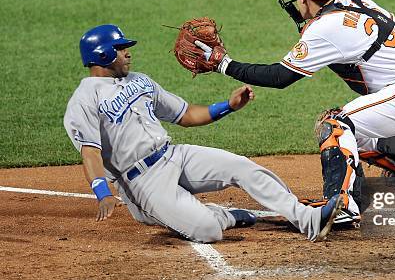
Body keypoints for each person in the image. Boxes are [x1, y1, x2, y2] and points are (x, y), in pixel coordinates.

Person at [195, 0, 395, 226]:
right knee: (350, 135)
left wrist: (225, 65)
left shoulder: (326, 27)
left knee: (335, 126)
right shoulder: (358, 1)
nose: (296, 5)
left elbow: (280, 77)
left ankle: (343, 206)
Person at [63, 24, 342, 243]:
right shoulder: (83, 100)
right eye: (121, 48)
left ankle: (308, 220)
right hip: (142, 182)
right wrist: (102, 192)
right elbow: (90, 151)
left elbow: (184, 115)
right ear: (102, 54)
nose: (128, 52)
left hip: (174, 156)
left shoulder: (140, 80)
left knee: (242, 167)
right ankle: (222, 216)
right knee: (209, 231)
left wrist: (228, 106)